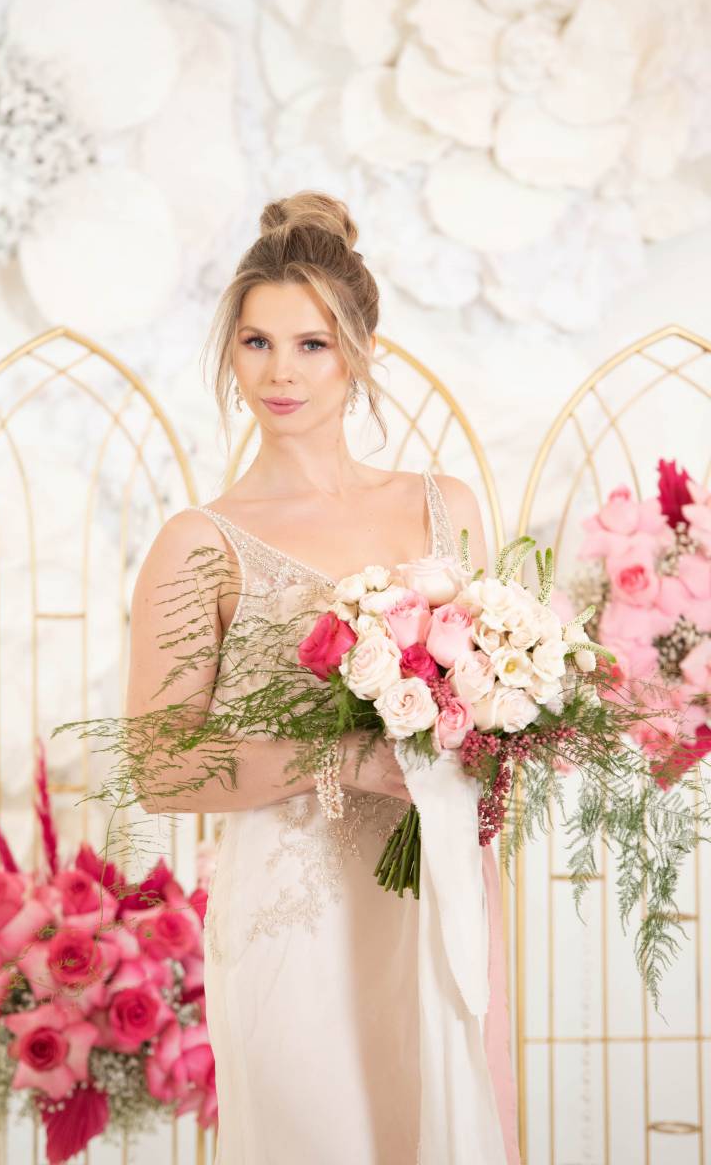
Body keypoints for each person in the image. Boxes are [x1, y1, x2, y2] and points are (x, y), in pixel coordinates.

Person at [125, 192, 520, 1163]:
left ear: (359, 350)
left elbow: (495, 693)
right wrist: (342, 755)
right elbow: (162, 769)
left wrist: (490, 759)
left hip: (433, 892)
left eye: (311, 344)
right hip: (289, 922)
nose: (279, 372)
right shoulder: (198, 545)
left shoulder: (446, 508)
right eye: (256, 342)